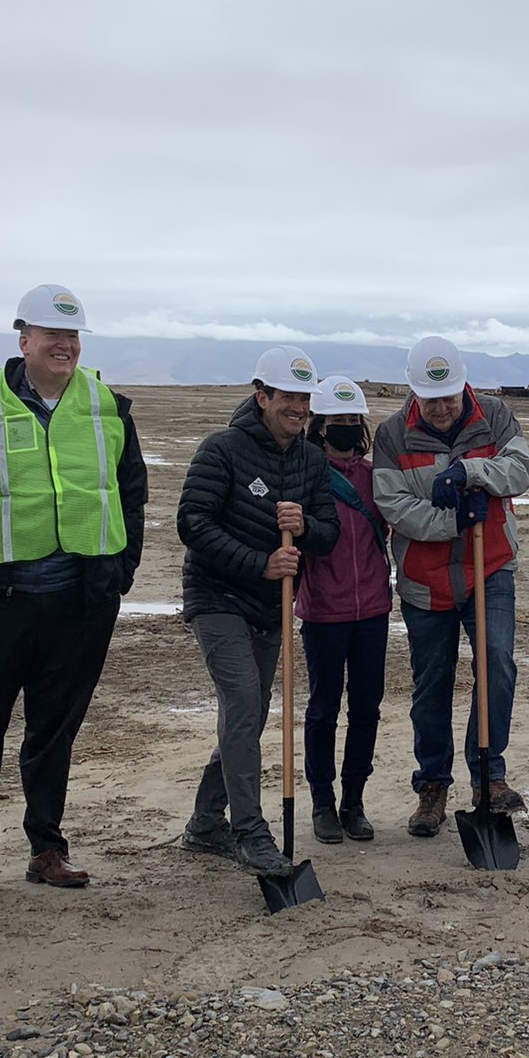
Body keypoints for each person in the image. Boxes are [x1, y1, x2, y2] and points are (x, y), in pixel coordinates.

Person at [0, 284, 148, 889]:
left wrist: (121, 572)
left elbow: (131, 494)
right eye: (52, 335)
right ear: (24, 340)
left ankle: (47, 846)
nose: (64, 346)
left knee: (54, 730)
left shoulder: (108, 406)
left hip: (80, 602)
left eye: (71, 336)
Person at [177, 348, 339, 873]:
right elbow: (193, 524)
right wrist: (259, 563)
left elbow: (328, 530)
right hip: (217, 597)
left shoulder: (311, 459)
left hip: (272, 607)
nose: (297, 407)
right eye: (287, 397)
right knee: (244, 702)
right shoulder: (221, 449)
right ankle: (250, 832)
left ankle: (205, 823)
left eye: (304, 398)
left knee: (246, 715)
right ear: (261, 395)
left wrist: (306, 527)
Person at [373, 336, 529, 835]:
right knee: (432, 686)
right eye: (430, 399)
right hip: (426, 583)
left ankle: (489, 774)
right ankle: (433, 784)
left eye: (448, 397)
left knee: (498, 664)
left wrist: (472, 470)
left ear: (464, 384)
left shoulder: (496, 415)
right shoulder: (392, 435)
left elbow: (520, 471)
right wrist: (453, 521)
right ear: (413, 392)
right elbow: (393, 504)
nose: (442, 409)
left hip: (491, 567)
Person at [293, 375, 390, 844]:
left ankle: (354, 800)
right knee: (323, 708)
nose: (348, 429)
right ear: (320, 425)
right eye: (338, 421)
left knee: (367, 707)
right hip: (323, 609)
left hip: (372, 608)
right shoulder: (306, 476)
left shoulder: (375, 479)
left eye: (354, 420)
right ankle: (321, 802)